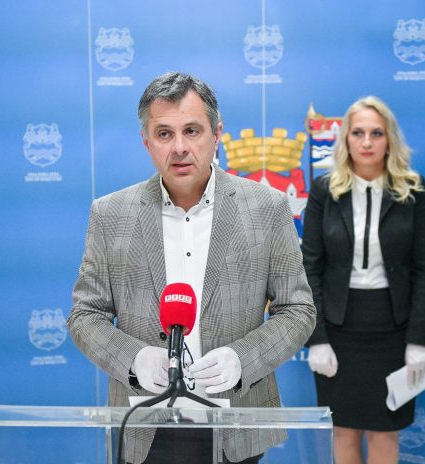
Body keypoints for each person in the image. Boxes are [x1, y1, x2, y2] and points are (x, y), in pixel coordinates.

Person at [67, 71, 316, 464]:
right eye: (164, 134)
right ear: (146, 141)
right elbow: (85, 315)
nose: (179, 147)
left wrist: (243, 359)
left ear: (217, 134)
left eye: (192, 131)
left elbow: (298, 310)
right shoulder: (111, 214)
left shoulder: (267, 208)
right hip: (144, 423)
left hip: (236, 421)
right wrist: (133, 359)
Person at [301, 96, 425, 464]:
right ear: (345, 138)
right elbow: (310, 268)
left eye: (376, 133)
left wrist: (417, 341)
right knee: (343, 432)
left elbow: (424, 271)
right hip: (338, 329)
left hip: (393, 330)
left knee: (385, 433)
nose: (366, 142)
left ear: (389, 139)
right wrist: (317, 339)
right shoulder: (325, 190)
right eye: (357, 133)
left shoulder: (413, 190)